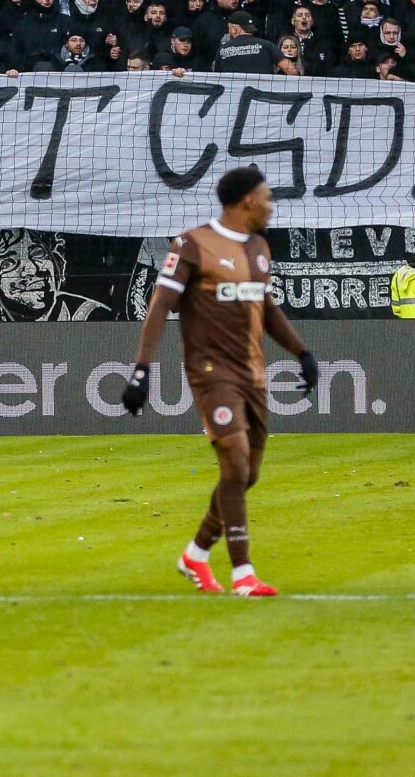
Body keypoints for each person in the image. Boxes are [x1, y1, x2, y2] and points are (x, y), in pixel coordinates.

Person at [121, 165, 318, 597]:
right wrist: (141, 369)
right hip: (211, 373)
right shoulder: (192, 245)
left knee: (246, 475)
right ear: (247, 200)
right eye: (267, 197)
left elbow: (265, 307)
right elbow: (159, 306)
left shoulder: (260, 248)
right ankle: (243, 574)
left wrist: (302, 352)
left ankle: (195, 554)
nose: (271, 205)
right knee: (235, 458)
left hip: (253, 373)